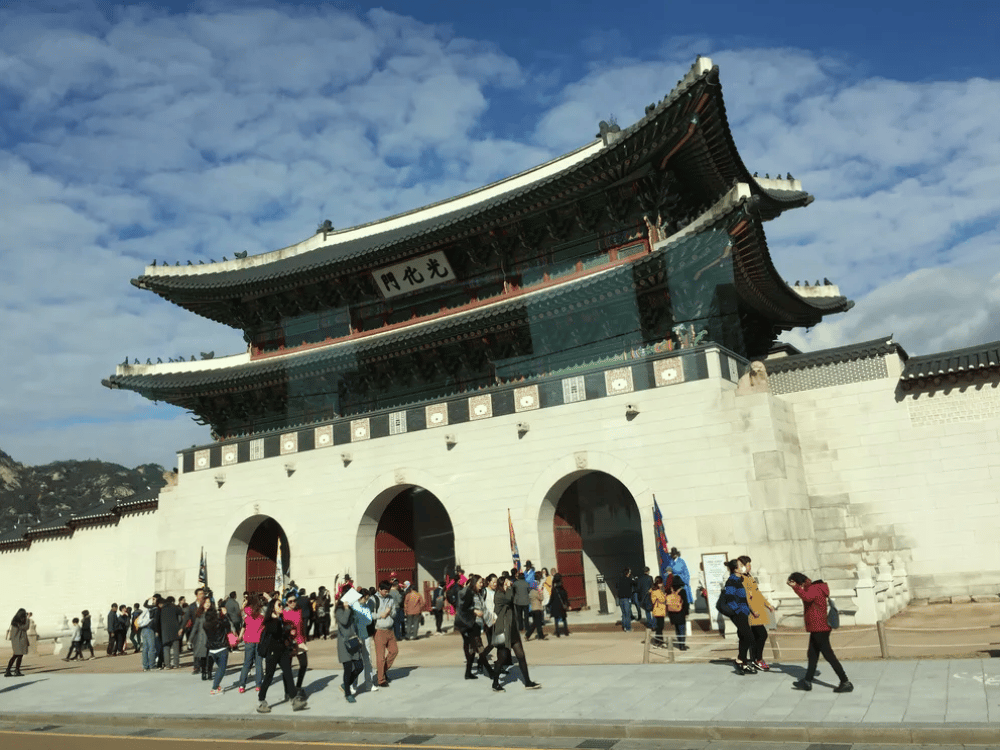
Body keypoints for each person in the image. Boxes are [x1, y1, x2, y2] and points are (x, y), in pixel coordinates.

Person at [788, 572, 853, 693]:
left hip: (819, 628)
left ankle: (845, 681)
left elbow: (807, 597)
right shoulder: (815, 587)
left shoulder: (813, 589)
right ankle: (807, 681)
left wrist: (795, 588)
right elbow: (807, 595)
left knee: (829, 655)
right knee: (812, 654)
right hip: (817, 627)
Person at [491, 575, 540, 691]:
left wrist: (510, 587)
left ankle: (527, 682)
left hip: (512, 630)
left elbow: (514, 597)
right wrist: (508, 587)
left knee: (521, 656)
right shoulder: (498, 594)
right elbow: (508, 598)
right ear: (502, 583)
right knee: (502, 658)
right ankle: (495, 683)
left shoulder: (508, 591)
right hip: (503, 630)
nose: (509, 583)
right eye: (507, 581)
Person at [256, 598, 305, 713]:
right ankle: (261, 699)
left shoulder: (281, 619)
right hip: (272, 653)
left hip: (283, 651)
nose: (282, 607)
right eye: (279, 605)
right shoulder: (269, 621)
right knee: (269, 676)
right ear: (273, 607)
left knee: (288, 673)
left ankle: (294, 699)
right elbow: (275, 631)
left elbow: (282, 634)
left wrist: (289, 632)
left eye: (282, 605)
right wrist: (285, 628)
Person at [455, 574, 493, 681]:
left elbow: (483, 608)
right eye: (480, 582)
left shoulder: (478, 594)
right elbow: (461, 607)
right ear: (474, 582)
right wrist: (474, 611)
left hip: (476, 624)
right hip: (469, 625)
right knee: (480, 648)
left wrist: (490, 620)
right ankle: (490, 672)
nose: (482, 584)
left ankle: (468, 673)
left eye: (482, 582)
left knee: (471, 650)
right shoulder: (467, 592)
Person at [739, 556, 774, 670]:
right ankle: (758, 659)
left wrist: (767, 604)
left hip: (758, 610)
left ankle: (755, 659)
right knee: (762, 634)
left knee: (756, 636)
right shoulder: (742, 579)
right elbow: (745, 597)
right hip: (751, 613)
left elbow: (757, 593)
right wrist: (752, 610)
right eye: (748, 564)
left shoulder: (749, 577)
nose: (750, 567)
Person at [336, 592, 371, 703]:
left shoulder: (352, 610)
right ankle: (348, 693)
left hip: (354, 641)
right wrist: (346, 609)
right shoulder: (339, 611)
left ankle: (345, 684)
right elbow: (344, 621)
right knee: (347, 669)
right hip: (344, 644)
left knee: (359, 666)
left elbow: (358, 623)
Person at [722, 559, 754, 674]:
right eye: (741, 565)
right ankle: (739, 660)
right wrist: (738, 610)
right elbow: (730, 598)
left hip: (744, 612)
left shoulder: (739, 580)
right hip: (738, 613)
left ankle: (743, 664)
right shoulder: (731, 581)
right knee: (749, 636)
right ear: (735, 569)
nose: (743, 567)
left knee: (743, 637)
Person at [372, 580, 399, 688]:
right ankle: (380, 679)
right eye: (384, 591)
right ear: (379, 589)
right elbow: (369, 614)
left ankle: (381, 671)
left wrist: (391, 612)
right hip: (379, 630)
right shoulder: (373, 599)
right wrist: (381, 615)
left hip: (389, 629)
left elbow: (394, 613)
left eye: (388, 591)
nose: (386, 593)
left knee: (394, 651)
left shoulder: (390, 598)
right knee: (380, 656)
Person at [203, 599, 232, 694]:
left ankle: (217, 685)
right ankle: (214, 688)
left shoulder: (205, 624)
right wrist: (225, 615)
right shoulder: (220, 623)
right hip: (222, 648)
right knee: (222, 669)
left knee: (220, 668)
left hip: (212, 649)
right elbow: (228, 626)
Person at [238, 593, 266, 693]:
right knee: (258, 663)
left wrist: (244, 604)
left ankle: (242, 685)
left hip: (249, 640)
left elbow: (241, 615)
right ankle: (258, 685)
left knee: (247, 663)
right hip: (258, 640)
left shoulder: (246, 612)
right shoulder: (262, 612)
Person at [282, 595, 308, 695]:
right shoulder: (283, 613)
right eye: (290, 601)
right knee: (287, 668)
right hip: (289, 643)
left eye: (294, 601)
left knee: (304, 664)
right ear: (286, 603)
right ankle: (287, 691)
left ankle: (298, 687)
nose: (293, 603)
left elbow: (301, 626)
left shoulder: (299, 611)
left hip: (300, 642)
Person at [160, 596, 183, 669]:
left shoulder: (162, 609)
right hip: (174, 630)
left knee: (166, 648)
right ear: (173, 601)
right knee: (176, 648)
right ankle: (176, 664)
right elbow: (182, 613)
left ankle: (167, 665)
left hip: (165, 631)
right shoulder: (175, 607)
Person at [667, 575, 690, 650]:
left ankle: (680, 644)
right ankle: (682, 645)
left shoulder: (669, 591)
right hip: (680, 612)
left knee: (677, 629)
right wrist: (687, 612)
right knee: (682, 629)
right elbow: (686, 603)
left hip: (672, 613)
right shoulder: (682, 591)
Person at [5, 609, 30, 676]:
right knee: (17, 655)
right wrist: (27, 619)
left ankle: (13, 670)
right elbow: (25, 627)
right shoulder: (18, 622)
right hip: (18, 640)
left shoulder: (16, 620)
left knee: (18, 655)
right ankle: (11, 670)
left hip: (17, 640)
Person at [649, 577, 667, 647]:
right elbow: (662, 600)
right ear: (659, 583)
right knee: (660, 627)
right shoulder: (657, 591)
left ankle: (658, 640)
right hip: (659, 610)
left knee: (659, 627)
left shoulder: (653, 590)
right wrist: (664, 596)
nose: (662, 584)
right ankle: (659, 641)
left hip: (657, 610)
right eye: (661, 583)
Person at [616, 567, 634, 632]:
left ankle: (624, 626)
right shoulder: (629, 580)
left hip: (620, 598)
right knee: (627, 613)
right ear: (627, 573)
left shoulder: (619, 579)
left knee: (623, 613)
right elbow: (634, 583)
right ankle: (628, 627)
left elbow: (616, 586)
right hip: (626, 598)